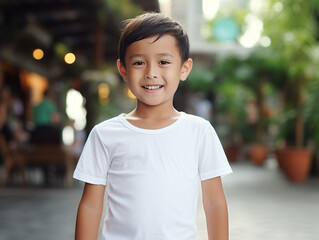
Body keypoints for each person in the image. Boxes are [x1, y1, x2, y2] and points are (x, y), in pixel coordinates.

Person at [73, 12, 232, 240]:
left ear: (184, 69)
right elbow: (90, 206)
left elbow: (214, 201)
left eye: (164, 62)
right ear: (123, 70)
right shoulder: (105, 134)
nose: (151, 73)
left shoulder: (199, 131)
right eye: (139, 62)